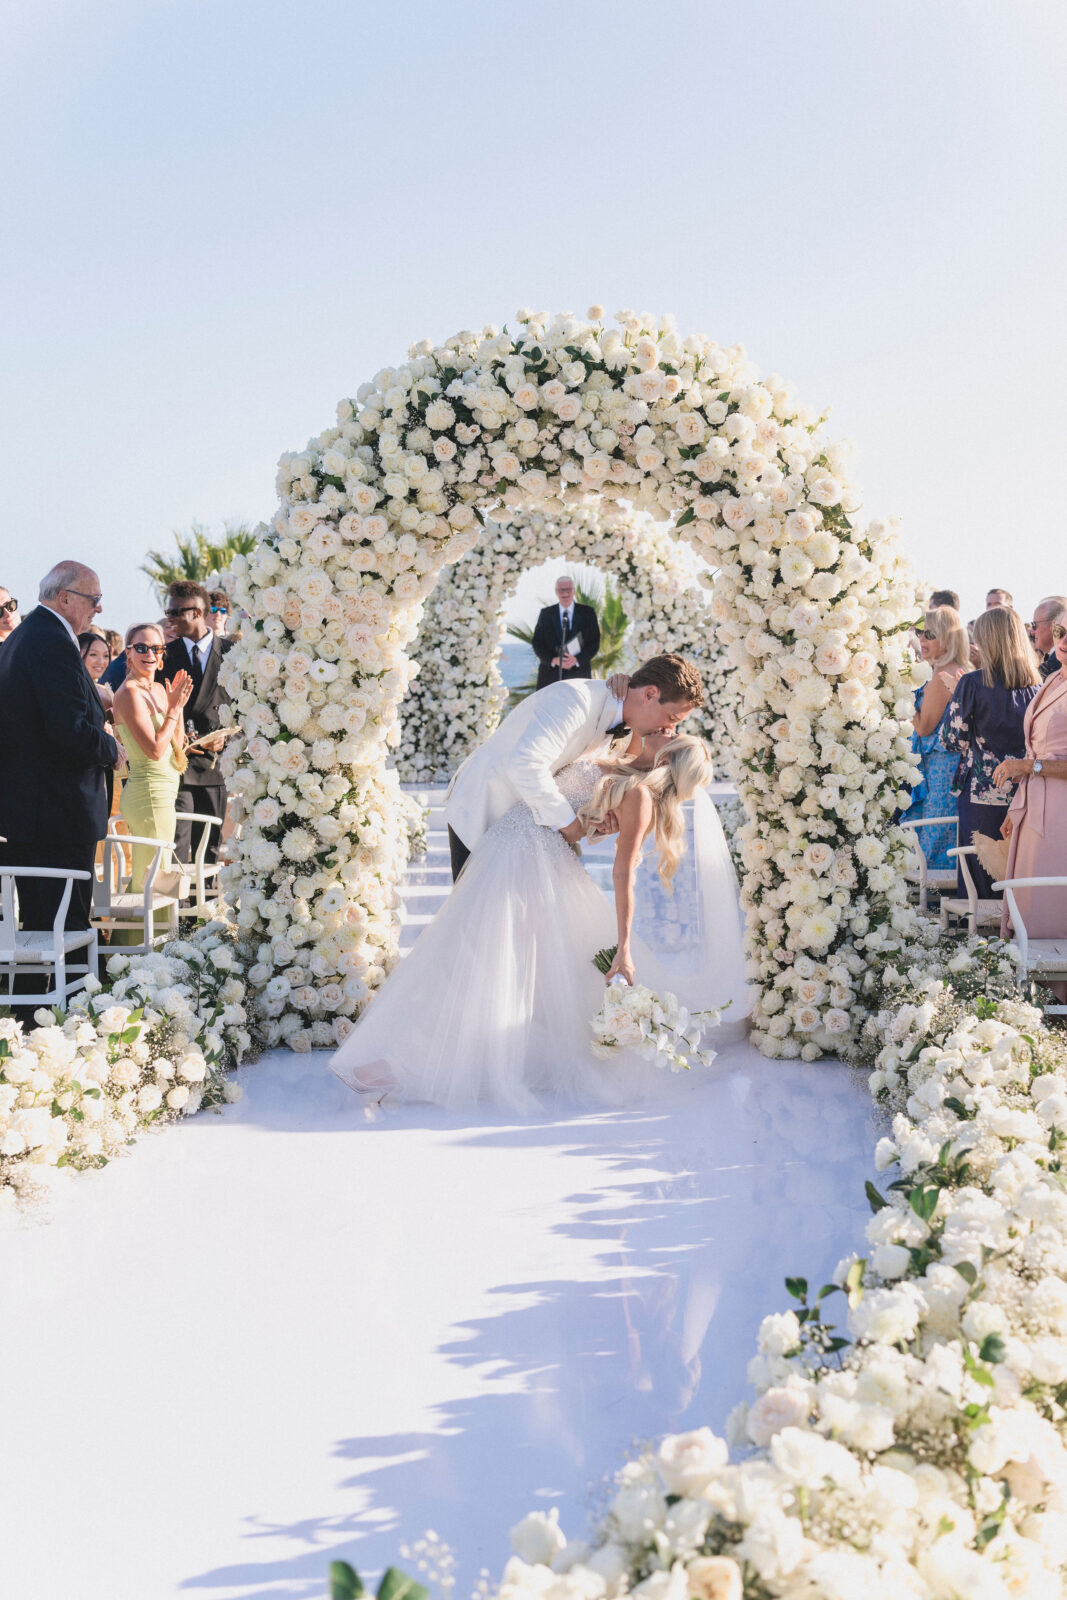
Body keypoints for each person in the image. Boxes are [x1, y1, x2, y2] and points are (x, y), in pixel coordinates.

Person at [331, 724, 750, 1113]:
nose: (667, 730)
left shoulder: (638, 793)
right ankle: (416, 1059)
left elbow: (624, 875)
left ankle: (411, 1062)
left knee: (483, 958)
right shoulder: (620, 763)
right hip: (520, 847)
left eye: (672, 735)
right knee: (485, 957)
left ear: (667, 762)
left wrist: (624, 946)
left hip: (521, 849)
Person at [443, 654, 703, 881]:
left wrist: (602, 821)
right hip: (484, 808)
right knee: (481, 924)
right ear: (649, 694)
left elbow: (587, 783)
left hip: (533, 833)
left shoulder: (628, 728)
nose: (669, 729)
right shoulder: (574, 700)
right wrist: (569, 824)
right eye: (671, 718)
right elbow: (526, 764)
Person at [0, 561, 121, 946]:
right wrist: (111, 748)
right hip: (58, 813)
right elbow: (68, 730)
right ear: (65, 597)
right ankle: (73, 1004)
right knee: (66, 928)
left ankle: (31, 1003)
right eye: (94, 598)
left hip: (34, 814)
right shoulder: (51, 641)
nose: (99, 608)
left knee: (37, 925)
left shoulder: (25, 636)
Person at [941, 607, 1042, 900]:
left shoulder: (972, 684)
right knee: (1018, 870)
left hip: (980, 792)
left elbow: (952, 741)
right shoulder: (1038, 688)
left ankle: (978, 941)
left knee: (980, 873)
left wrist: (954, 698)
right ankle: (1015, 932)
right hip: (1025, 793)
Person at [111, 624, 192, 943]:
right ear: (127, 652)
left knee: (158, 881)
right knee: (150, 882)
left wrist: (178, 708)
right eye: (141, 647)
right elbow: (154, 750)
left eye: (156, 649)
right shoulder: (128, 693)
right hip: (147, 795)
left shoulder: (160, 689)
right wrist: (173, 709)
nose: (149, 654)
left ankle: (154, 958)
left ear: (162, 655)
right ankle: (130, 962)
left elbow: (177, 744)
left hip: (165, 794)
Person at [997, 618, 1067, 982]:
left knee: (1049, 905)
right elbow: (1036, 747)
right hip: (1035, 802)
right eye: (1060, 631)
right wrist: (1016, 807)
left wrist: (1030, 765)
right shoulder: (1054, 678)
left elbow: (1037, 758)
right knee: (1027, 899)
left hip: (1061, 812)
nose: (1064, 640)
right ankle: (1029, 1003)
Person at [160, 580, 233, 869]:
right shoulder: (164, 655)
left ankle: (203, 913)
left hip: (216, 767)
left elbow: (247, 710)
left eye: (176, 612)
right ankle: (181, 914)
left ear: (198, 612)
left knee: (209, 849)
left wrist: (226, 740)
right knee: (178, 845)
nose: (170, 618)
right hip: (179, 766)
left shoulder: (231, 654)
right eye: (169, 612)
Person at [900, 606, 971, 868]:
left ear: (948, 638)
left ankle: (932, 895)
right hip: (947, 769)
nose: (923, 640)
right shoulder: (956, 669)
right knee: (943, 831)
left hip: (940, 771)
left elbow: (924, 727)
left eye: (930, 634)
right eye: (921, 633)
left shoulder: (943, 675)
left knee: (935, 833)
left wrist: (904, 699)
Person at [532, 575, 601, 690]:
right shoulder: (546, 614)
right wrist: (554, 660)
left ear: (574, 590)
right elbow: (537, 643)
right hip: (550, 677)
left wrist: (577, 659)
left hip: (579, 677)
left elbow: (594, 642)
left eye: (568, 589)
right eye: (561, 590)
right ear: (556, 592)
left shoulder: (587, 613)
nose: (565, 593)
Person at [1030, 595, 1067, 680]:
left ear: (1054, 625)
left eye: (1034, 625)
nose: (1032, 631)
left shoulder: (1050, 669)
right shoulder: (1050, 663)